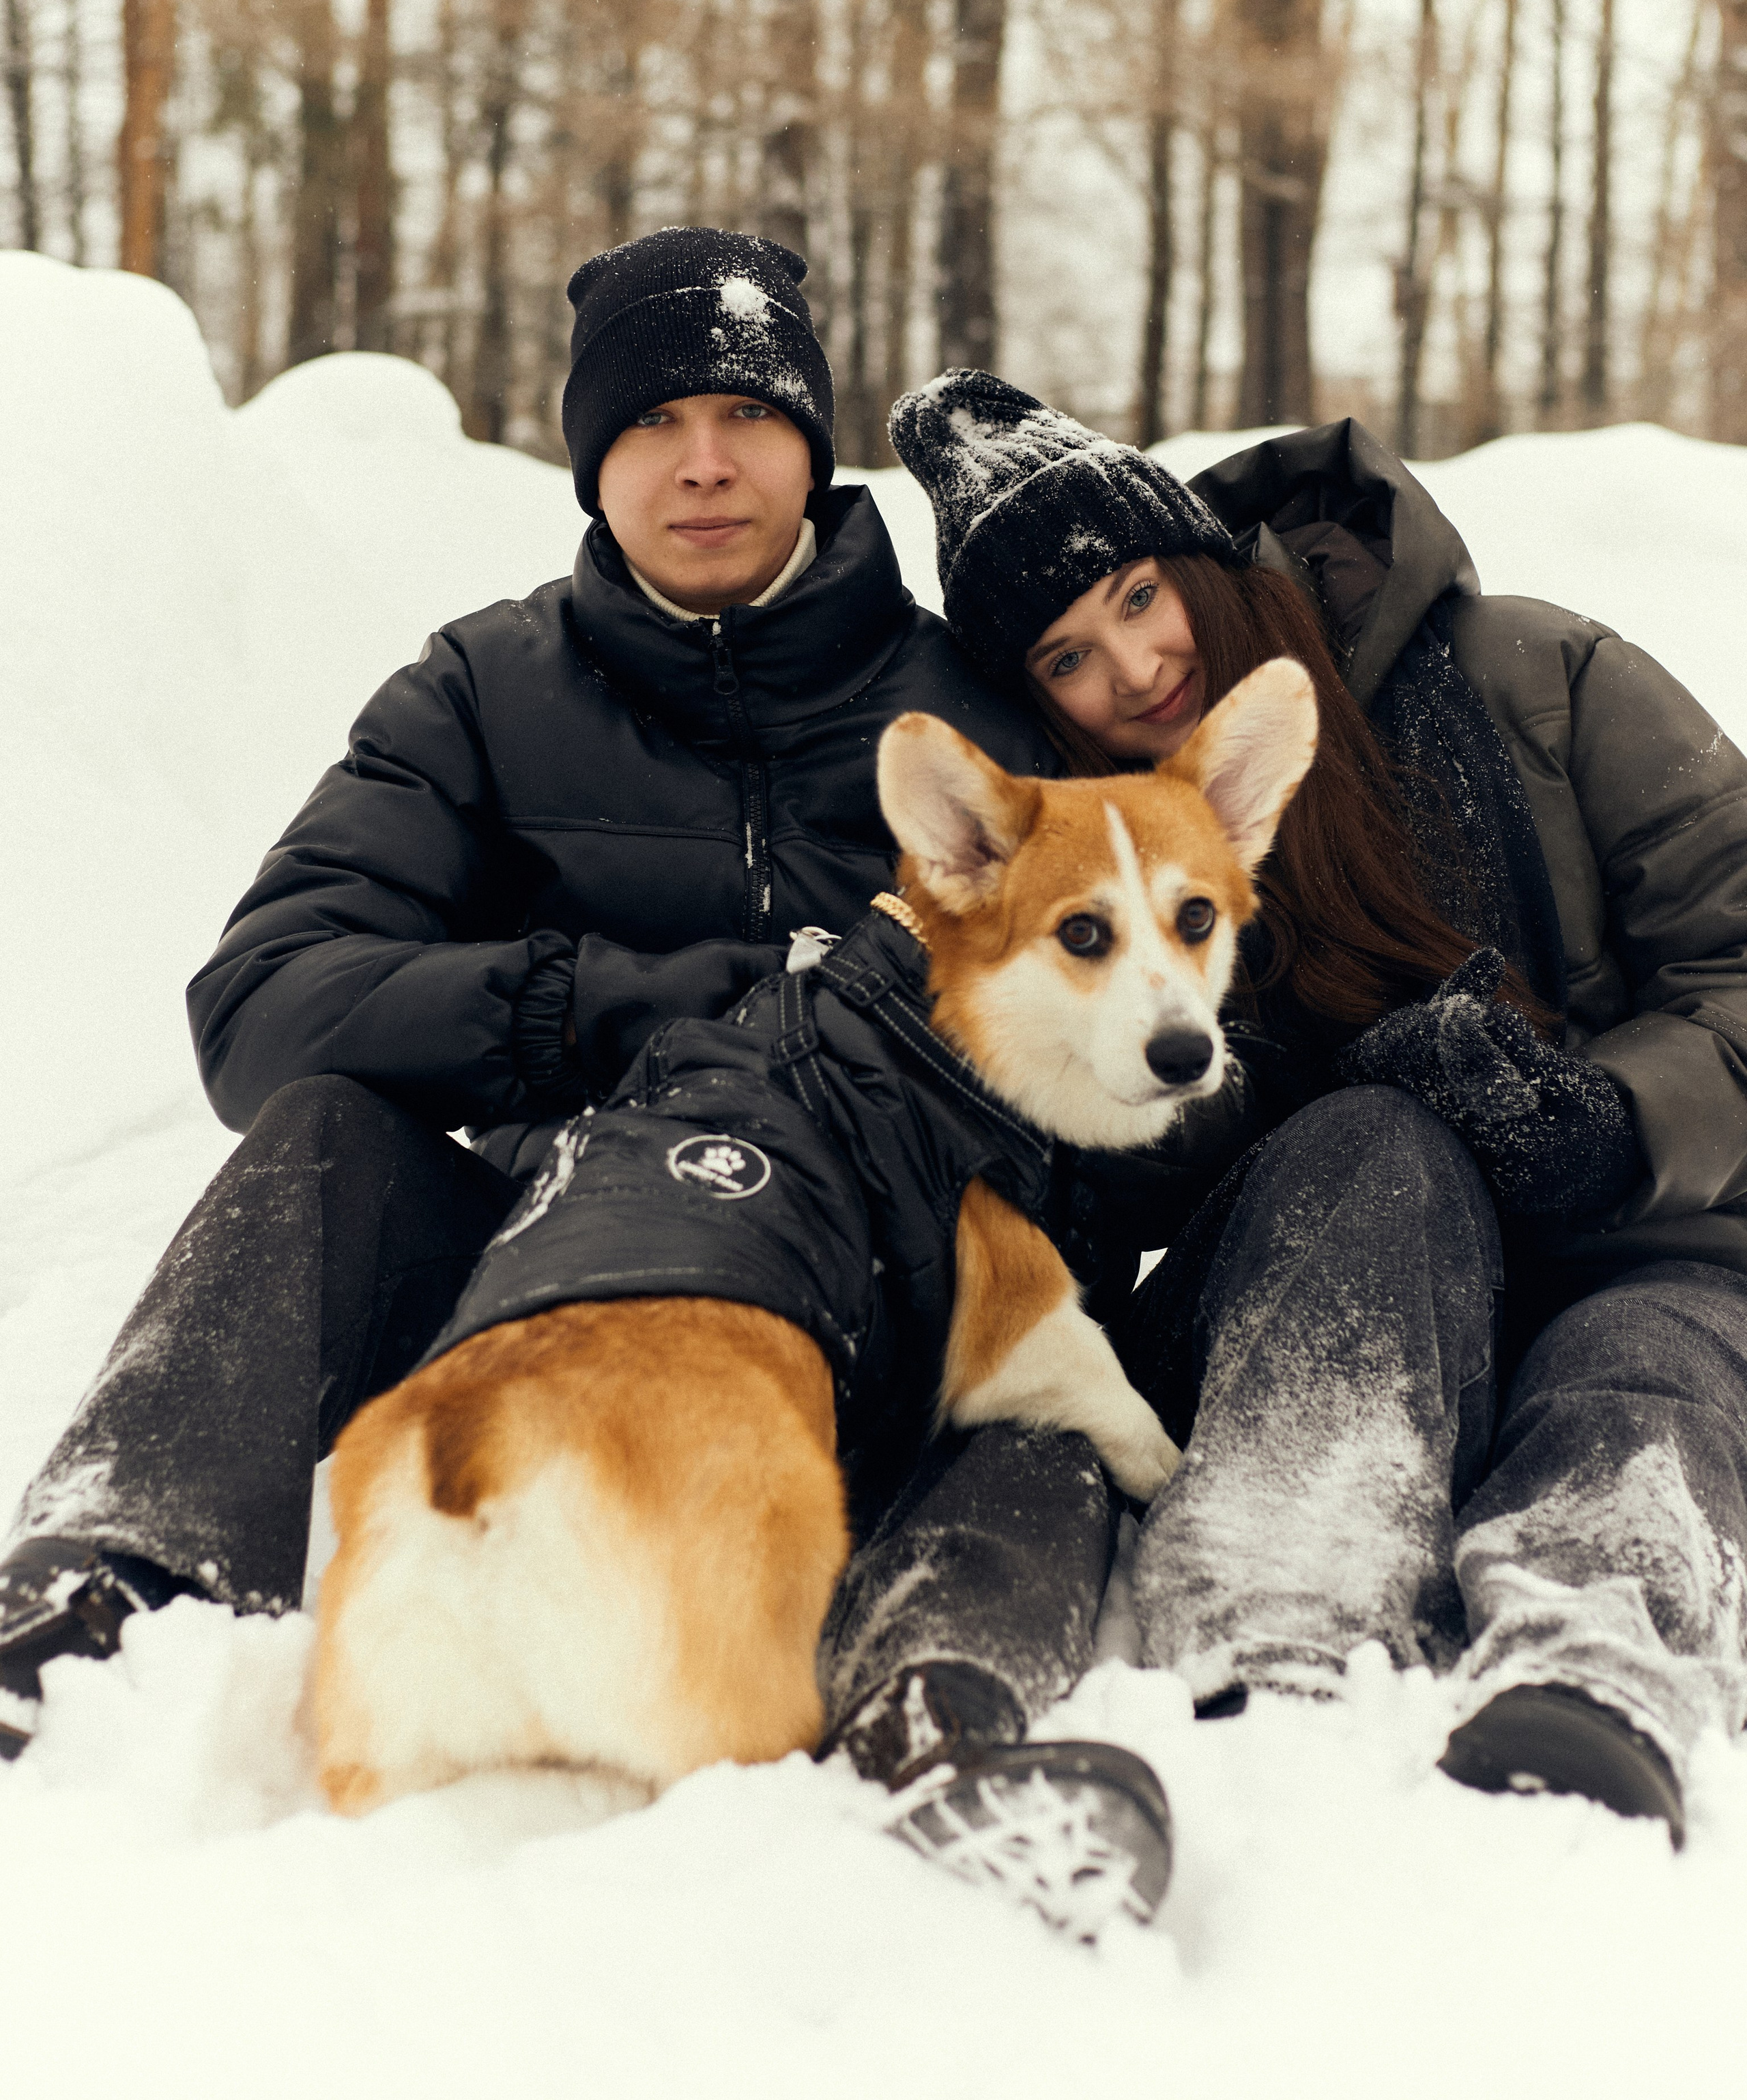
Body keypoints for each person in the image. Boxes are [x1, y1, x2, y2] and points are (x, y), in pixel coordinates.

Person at [0, 229, 1086, 1760]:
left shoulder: (968, 708)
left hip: (874, 1280)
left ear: (812, 445)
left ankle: (940, 1699)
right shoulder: (485, 692)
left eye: (746, 415)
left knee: (1039, 1372)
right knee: (319, 1133)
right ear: (589, 461)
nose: (701, 464)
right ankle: (108, 1575)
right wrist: (624, 1005)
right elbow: (260, 1008)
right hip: (532, 1252)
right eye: (650, 423)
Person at [880, 366, 1747, 1856]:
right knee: (1368, 1144)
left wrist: (1604, 1121)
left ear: (1201, 562)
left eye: (1142, 595)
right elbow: (1106, 1171)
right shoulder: (1111, 851)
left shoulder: (1540, 679)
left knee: (1641, 1359)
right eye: (1069, 657)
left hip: (1641, 1233)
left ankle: (1591, 1662)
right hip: (1349, 1255)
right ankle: (1277, 1615)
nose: (1136, 669)